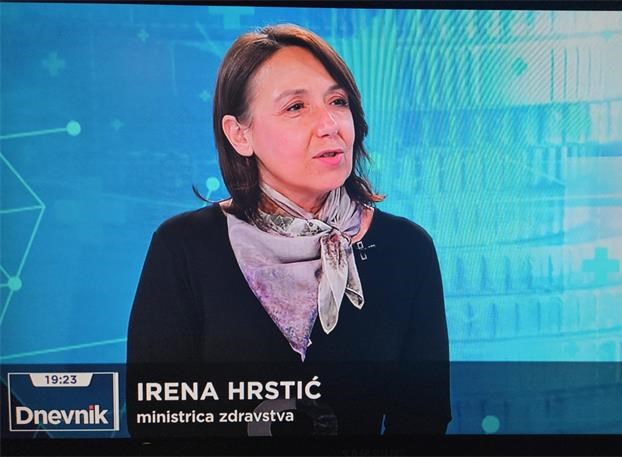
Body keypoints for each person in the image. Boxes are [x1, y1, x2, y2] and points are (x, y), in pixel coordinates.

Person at [127, 24, 450, 436]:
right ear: (240, 134)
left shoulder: (405, 249)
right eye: (296, 107)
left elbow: (423, 418)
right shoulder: (185, 248)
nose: (330, 124)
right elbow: (155, 420)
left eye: (338, 101)